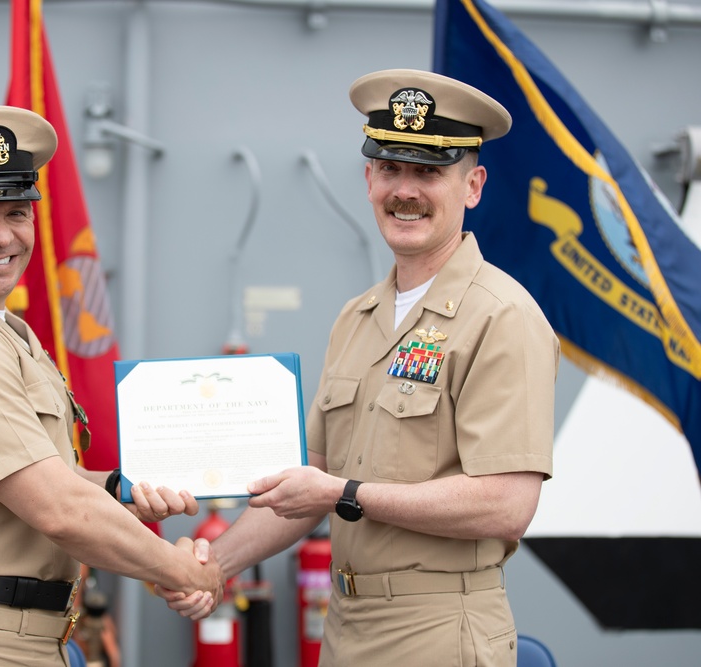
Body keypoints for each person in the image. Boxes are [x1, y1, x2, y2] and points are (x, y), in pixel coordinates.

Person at [163, 69, 559, 666]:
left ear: (472, 186)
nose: (406, 190)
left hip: (441, 634)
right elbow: (309, 480)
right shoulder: (357, 317)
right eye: (392, 169)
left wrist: (347, 494)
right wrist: (213, 566)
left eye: (429, 172)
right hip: (345, 631)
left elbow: (505, 505)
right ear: (369, 178)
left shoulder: (502, 315)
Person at [0, 105, 222, 667]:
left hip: (13, 636)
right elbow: (57, 509)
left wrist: (120, 489)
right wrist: (183, 571)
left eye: (16, 211)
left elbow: (44, 475)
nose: (2, 236)